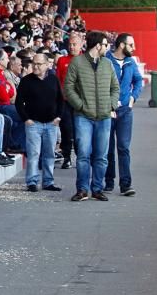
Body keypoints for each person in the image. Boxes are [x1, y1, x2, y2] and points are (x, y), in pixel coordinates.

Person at [63, 30, 118, 203]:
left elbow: (115, 88)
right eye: (105, 44)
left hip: (104, 117)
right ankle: (82, 190)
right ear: (98, 45)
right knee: (84, 155)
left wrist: (111, 105)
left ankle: (97, 189)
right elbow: (68, 88)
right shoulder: (77, 63)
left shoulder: (108, 64)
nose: (107, 47)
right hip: (83, 117)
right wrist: (80, 106)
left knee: (101, 156)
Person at [16, 52, 63, 192]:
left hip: (51, 123)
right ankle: (32, 181)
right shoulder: (26, 81)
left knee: (49, 153)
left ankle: (48, 182)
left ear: (47, 65)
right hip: (33, 123)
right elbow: (19, 102)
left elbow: (60, 100)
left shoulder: (53, 79)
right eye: (34, 63)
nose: (35, 66)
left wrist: (58, 117)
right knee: (34, 153)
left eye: (39, 64)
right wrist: (26, 119)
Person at [104, 33, 142, 195]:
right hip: (107, 109)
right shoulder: (105, 60)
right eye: (131, 44)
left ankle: (126, 184)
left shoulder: (130, 62)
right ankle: (108, 181)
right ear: (121, 45)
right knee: (108, 148)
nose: (134, 48)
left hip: (125, 111)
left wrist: (133, 97)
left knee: (124, 147)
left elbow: (138, 80)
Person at [55, 32, 82, 169]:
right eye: (70, 44)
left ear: (81, 45)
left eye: (74, 44)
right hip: (65, 101)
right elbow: (58, 80)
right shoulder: (62, 60)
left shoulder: (86, 59)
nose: (71, 47)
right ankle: (66, 157)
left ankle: (80, 156)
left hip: (80, 102)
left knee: (79, 130)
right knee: (66, 129)